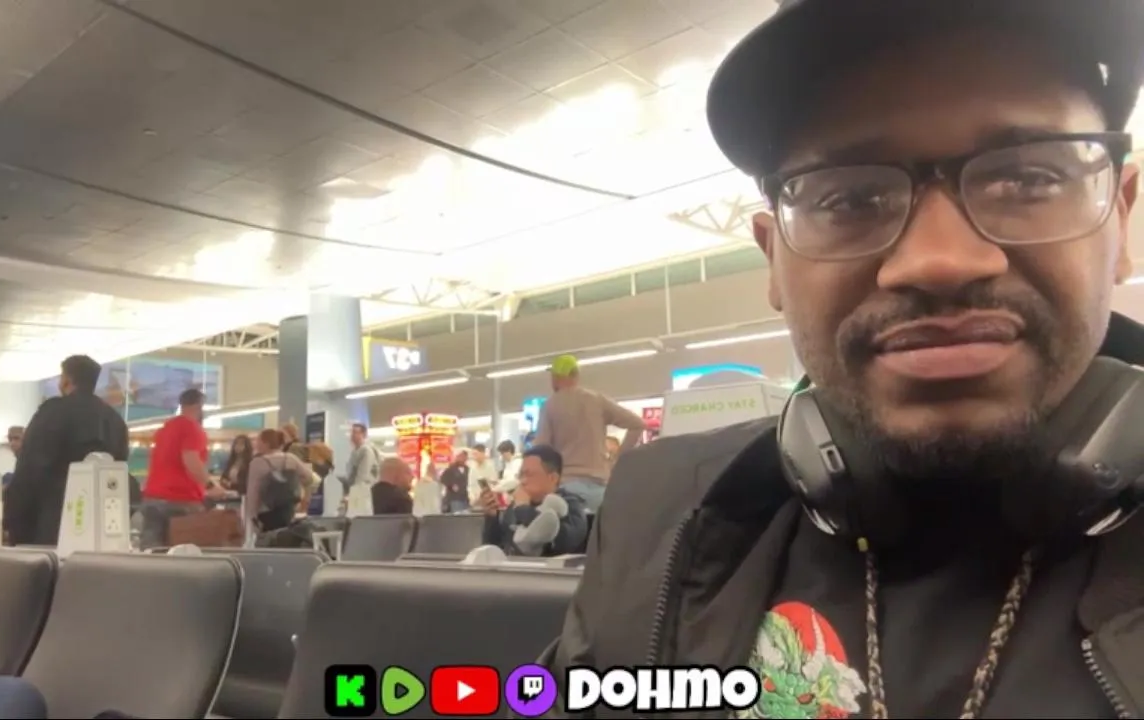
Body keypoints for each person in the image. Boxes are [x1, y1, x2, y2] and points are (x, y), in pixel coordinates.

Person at [538, 2, 1144, 718]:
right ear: (773, 258)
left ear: (1120, 214)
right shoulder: (663, 515)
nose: (940, 260)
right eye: (851, 198)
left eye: (1028, 179)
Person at [5, 355, 129, 546]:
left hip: (51, 521)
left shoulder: (53, 412)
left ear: (66, 381)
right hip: (102, 525)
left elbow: (30, 467)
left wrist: (12, 516)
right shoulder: (115, 421)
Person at [534, 355, 645, 514]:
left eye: (553, 376)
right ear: (576, 375)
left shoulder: (549, 406)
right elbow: (638, 424)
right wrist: (616, 460)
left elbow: (540, 450)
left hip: (567, 488)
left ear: (557, 377)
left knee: (572, 530)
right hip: (600, 489)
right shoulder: (596, 400)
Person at [139, 389, 225, 548]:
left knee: (151, 552)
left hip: (153, 497)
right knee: (183, 553)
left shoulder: (165, 428)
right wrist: (211, 486)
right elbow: (191, 460)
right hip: (181, 500)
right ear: (200, 406)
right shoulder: (193, 428)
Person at [480, 445, 587, 557]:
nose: (523, 481)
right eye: (521, 475)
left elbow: (560, 541)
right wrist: (491, 517)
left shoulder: (570, 507)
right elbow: (495, 551)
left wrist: (523, 510)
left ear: (553, 478)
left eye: (529, 474)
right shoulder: (514, 508)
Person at [245, 428, 312, 535]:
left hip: (266, 510)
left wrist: (252, 516)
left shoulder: (257, 463)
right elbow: (309, 477)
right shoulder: (290, 458)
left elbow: (253, 492)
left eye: (258, 441)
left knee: (269, 540)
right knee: (285, 537)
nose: (256, 444)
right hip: (288, 508)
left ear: (266, 443)